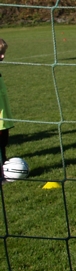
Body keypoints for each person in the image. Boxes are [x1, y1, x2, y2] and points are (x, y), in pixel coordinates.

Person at [0, 39, 13, 179]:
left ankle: (4, 171)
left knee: (3, 144)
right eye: (0, 53)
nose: (3, 56)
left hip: (3, 118)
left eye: (4, 53)